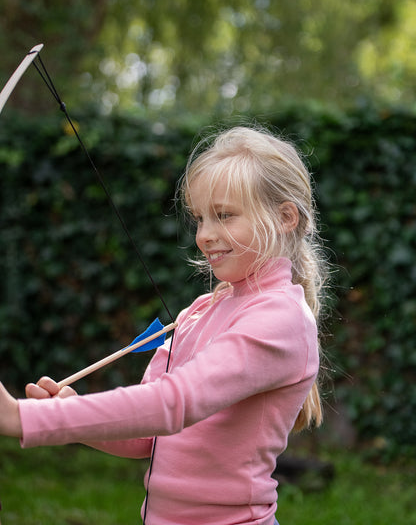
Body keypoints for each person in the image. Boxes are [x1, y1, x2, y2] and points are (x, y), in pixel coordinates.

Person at [0, 125, 327, 525]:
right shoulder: (204, 308)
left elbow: (173, 403)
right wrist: (71, 415)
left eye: (223, 216)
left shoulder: (280, 319)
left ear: (285, 218)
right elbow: (147, 436)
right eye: (200, 218)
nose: (205, 235)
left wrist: (22, 418)